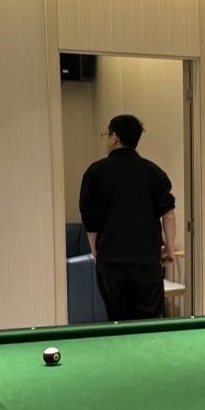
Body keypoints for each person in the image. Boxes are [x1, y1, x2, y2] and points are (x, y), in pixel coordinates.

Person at [79, 113, 177, 322]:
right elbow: (168, 214)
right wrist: (169, 248)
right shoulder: (153, 172)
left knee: (119, 320)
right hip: (147, 261)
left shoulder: (95, 172)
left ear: (115, 137)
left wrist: (96, 251)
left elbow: (90, 220)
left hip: (111, 261)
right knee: (150, 321)